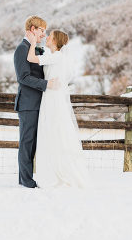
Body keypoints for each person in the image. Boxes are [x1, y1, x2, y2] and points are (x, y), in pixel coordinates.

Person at [25, 28, 90, 188]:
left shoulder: (57, 56)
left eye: (50, 36)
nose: (47, 38)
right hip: (50, 96)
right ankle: (51, 169)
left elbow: (31, 57)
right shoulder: (52, 55)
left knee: (54, 130)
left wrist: (33, 42)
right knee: (50, 130)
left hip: (53, 98)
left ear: (55, 41)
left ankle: (58, 173)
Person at [13, 16, 59, 188]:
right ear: (32, 29)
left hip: (38, 104)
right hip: (28, 105)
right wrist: (47, 84)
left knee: (33, 144)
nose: (43, 34)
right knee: (27, 143)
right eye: (41, 30)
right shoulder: (21, 49)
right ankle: (26, 181)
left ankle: (27, 178)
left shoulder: (34, 49)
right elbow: (23, 77)